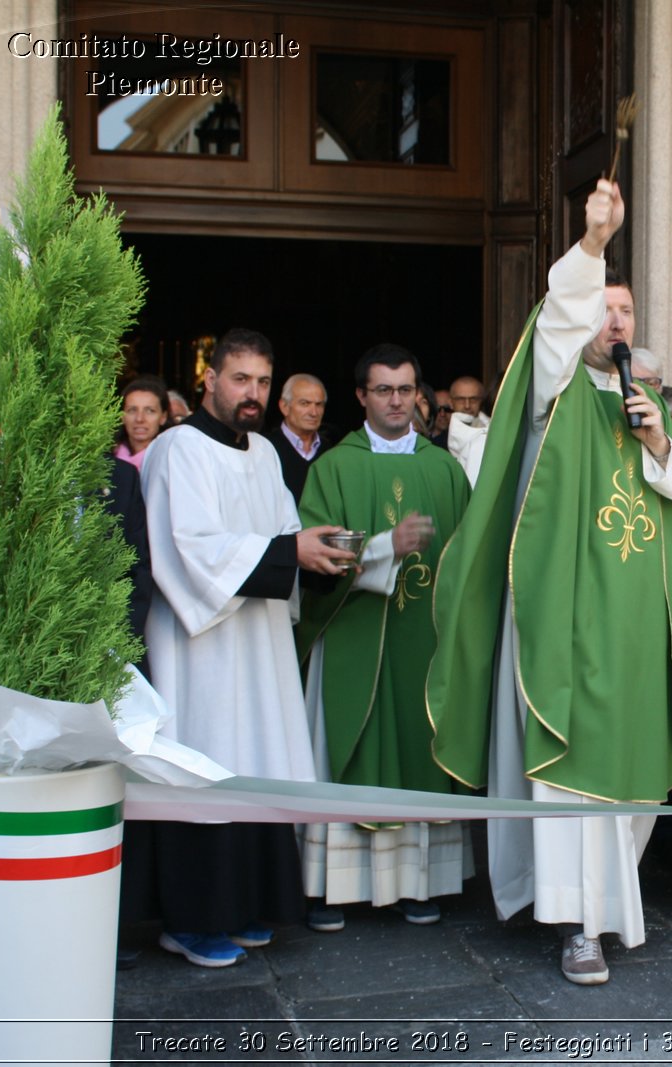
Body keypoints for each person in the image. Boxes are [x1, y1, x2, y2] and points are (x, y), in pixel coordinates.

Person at [427, 180, 672, 986]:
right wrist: (592, 244)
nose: (611, 322)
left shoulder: (646, 404)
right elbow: (555, 328)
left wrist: (662, 449)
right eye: (601, 307)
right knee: (567, 774)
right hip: (561, 618)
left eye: (623, 311)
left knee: (625, 776)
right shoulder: (550, 399)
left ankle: (614, 907)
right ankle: (577, 923)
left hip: (630, 629)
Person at [138, 327, 357, 968]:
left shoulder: (262, 454)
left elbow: (284, 532)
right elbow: (191, 549)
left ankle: (249, 906)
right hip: (199, 645)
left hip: (256, 641)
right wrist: (289, 550)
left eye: (263, 381)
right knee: (205, 768)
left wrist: (314, 547)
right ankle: (190, 920)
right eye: (241, 379)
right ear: (210, 379)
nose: (253, 393)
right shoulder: (177, 450)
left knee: (255, 760)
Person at [296, 344, 471, 932]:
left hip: (424, 642)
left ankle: (418, 884)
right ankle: (333, 888)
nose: (397, 401)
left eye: (405, 389)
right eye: (383, 390)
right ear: (361, 397)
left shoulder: (444, 469)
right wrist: (379, 550)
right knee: (351, 748)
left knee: (420, 747)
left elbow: (469, 559)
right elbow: (312, 553)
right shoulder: (334, 468)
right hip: (353, 637)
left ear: (418, 394)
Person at [265, 373, 330, 504]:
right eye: (305, 403)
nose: (313, 412)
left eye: (319, 404)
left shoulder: (330, 451)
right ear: (284, 407)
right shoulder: (265, 448)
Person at [115, 375, 171, 470]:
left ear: (163, 417)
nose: (139, 419)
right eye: (132, 410)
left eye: (149, 411)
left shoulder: (169, 460)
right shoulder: (106, 460)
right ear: (122, 416)